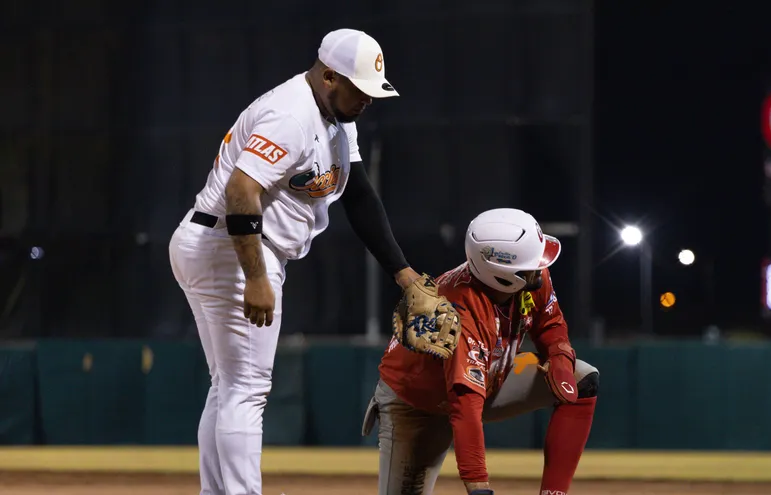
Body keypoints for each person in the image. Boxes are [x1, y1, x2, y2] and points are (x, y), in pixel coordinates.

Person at [169, 28, 445, 495]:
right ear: (330, 77)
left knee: (230, 386)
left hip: (225, 245)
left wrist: (404, 274)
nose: (369, 100)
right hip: (229, 248)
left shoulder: (338, 118)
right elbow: (241, 190)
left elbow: (359, 196)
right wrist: (256, 277)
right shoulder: (291, 115)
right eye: (361, 90)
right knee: (247, 387)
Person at [362, 208, 600, 495]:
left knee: (582, 378)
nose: (541, 267)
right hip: (417, 403)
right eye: (532, 264)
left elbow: (549, 322)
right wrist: (479, 488)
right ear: (502, 276)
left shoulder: (526, 277)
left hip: (489, 375)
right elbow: (465, 407)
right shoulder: (459, 312)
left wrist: (560, 356)